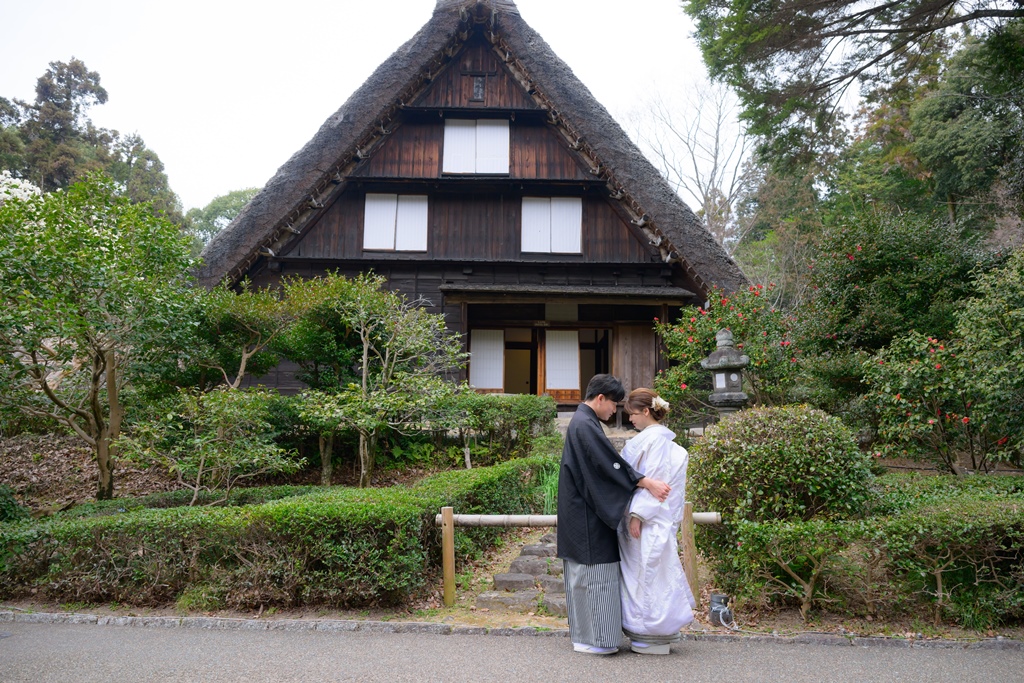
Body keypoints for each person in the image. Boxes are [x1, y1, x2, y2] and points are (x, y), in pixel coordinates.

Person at [557, 374, 671, 655]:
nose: (614, 410)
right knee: (598, 576)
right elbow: (610, 465)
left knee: (582, 578)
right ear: (600, 398)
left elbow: (606, 465)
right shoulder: (586, 425)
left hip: (579, 509)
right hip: (587, 513)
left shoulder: (582, 421)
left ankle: (585, 637)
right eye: (613, 404)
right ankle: (601, 641)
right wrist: (645, 482)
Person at [617, 388, 696, 655]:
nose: (630, 419)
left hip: (647, 520)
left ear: (646, 411)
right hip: (652, 518)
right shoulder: (657, 439)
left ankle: (650, 633)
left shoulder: (655, 440)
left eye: (633, 414)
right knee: (651, 573)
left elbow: (656, 480)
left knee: (647, 575)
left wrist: (638, 515)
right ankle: (649, 632)